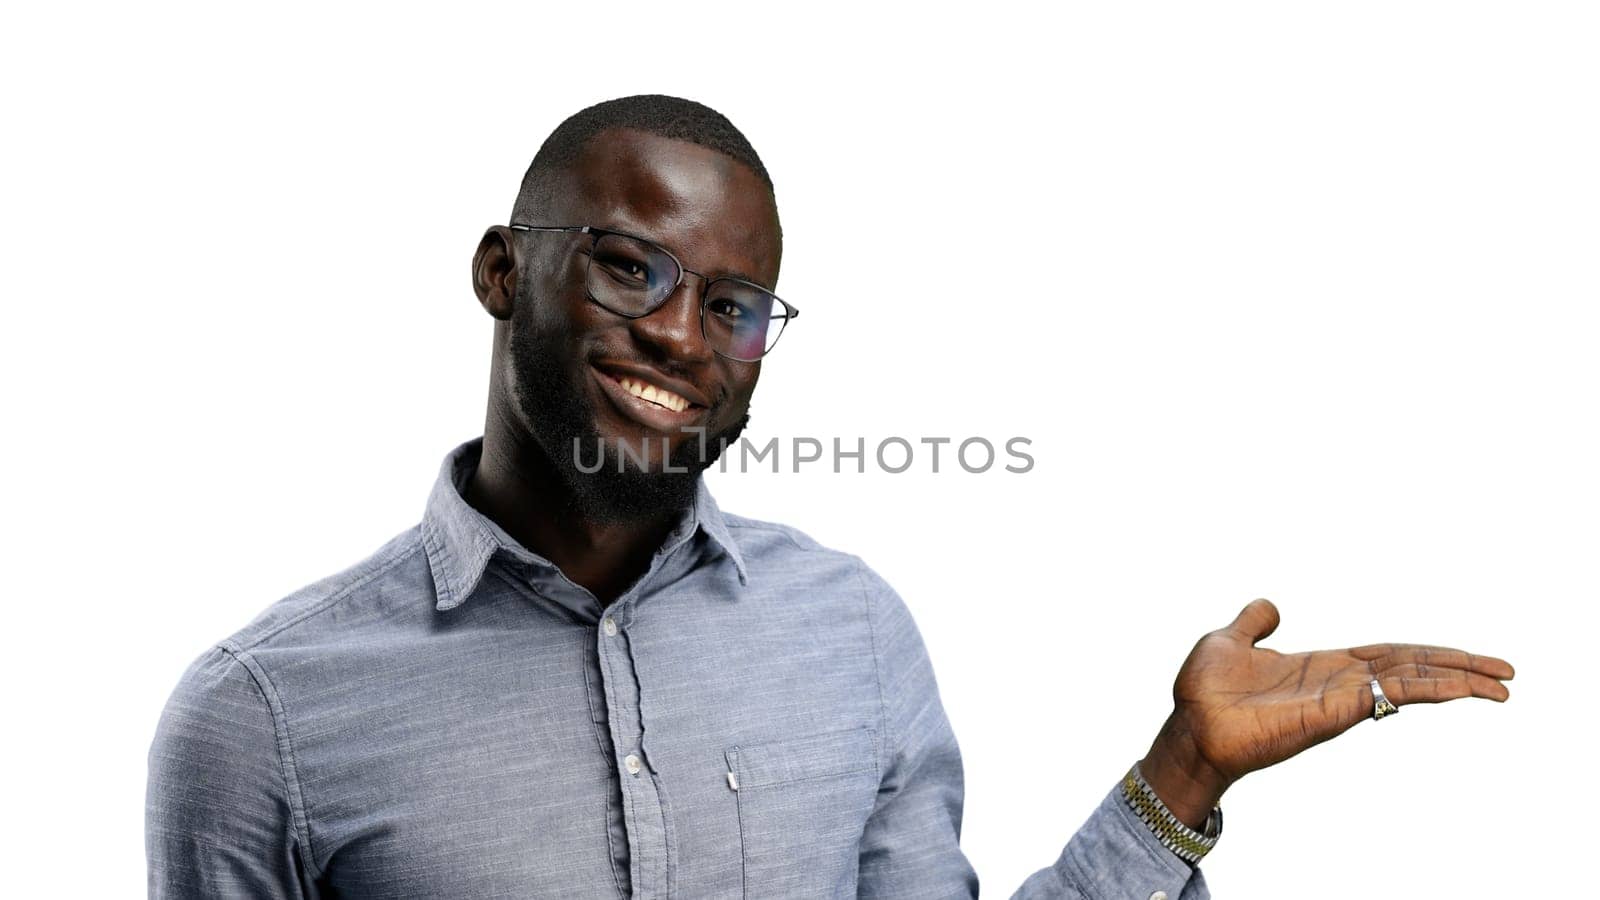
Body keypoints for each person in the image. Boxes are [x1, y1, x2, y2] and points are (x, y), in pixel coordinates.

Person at [145, 95, 1515, 899]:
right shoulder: (263, 719)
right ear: (505, 271)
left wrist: (1184, 777)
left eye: (735, 306)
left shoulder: (850, 631)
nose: (686, 336)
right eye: (630, 268)